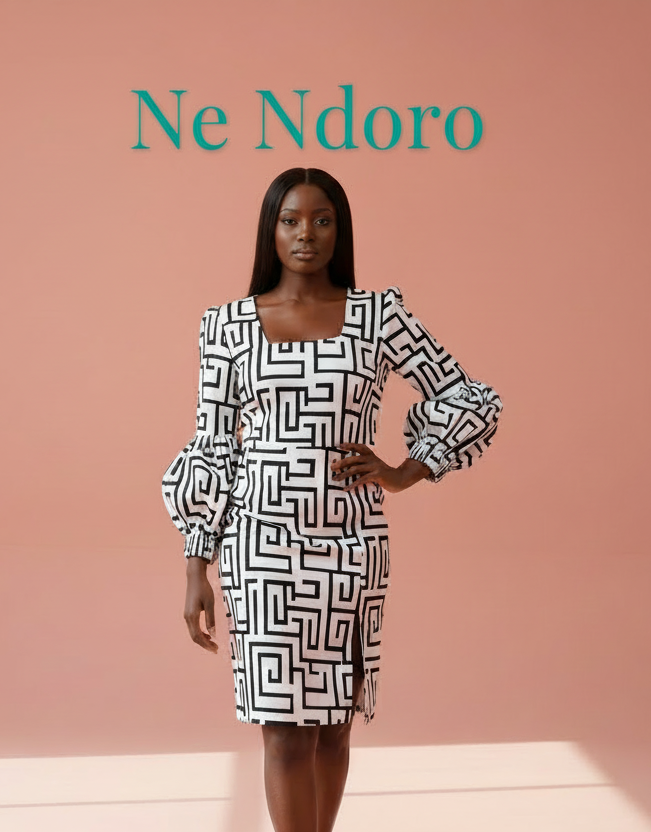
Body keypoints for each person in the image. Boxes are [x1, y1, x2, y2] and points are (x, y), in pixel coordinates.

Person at [161, 167, 503, 832]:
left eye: (322, 220)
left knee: (333, 726)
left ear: (340, 230)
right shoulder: (226, 326)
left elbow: (467, 395)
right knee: (284, 729)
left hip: (351, 545)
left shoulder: (378, 317)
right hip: (260, 545)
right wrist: (196, 565)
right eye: (290, 220)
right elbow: (213, 447)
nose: (306, 234)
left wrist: (408, 470)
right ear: (270, 230)